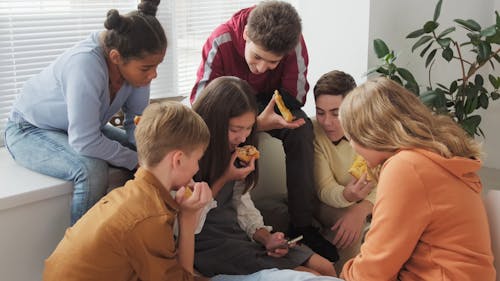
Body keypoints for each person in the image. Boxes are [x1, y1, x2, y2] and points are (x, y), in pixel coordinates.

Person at [190, 0, 338, 262]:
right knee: (237, 133)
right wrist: (255, 124)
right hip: (228, 107)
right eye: (257, 57)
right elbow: (202, 107)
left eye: (272, 63)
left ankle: (302, 224)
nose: (260, 68)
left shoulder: (293, 43)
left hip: (271, 100)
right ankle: (225, 213)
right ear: (246, 35)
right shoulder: (220, 40)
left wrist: (269, 115)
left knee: (302, 130)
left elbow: (295, 97)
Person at [4, 0, 167, 224]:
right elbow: (85, 141)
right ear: (115, 57)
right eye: (147, 68)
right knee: (93, 171)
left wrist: (146, 156)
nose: (153, 75)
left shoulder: (136, 66)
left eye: (157, 66)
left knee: (154, 155)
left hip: (74, 130)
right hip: (29, 129)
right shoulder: (84, 66)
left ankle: (138, 232)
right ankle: (81, 252)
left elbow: (137, 123)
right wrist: (136, 160)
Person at [338, 77, 496, 280]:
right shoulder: (433, 157)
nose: (352, 146)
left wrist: (343, 275)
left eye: (350, 137)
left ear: (368, 133)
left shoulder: (407, 167)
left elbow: (373, 271)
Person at [43, 101, 213, 281]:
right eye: (197, 160)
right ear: (178, 160)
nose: (196, 169)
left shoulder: (129, 195)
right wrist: (187, 219)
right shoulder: (150, 218)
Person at [192, 76, 337, 278]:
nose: (243, 138)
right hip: (210, 246)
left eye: (249, 128)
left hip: (239, 236)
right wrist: (224, 178)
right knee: (309, 274)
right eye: (235, 129)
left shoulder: (239, 150)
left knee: (326, 267)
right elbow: (187, 223)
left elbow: (242, 204)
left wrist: (266, 238)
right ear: (214, 123)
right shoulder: (190, 157)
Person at [312, 70, 376, 272]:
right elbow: (324, 188)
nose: (327, 122)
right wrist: (348, 196)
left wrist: (362, 208)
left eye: (335, 113)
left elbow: (385, 180)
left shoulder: (371, 127)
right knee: (347, 230)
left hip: (369, 202)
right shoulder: (314, 130)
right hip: (330, 202)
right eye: (320, 112)